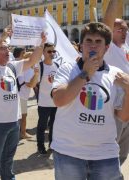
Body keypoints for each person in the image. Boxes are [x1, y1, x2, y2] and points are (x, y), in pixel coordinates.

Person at [51, 22, 129, 180]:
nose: (93, 46)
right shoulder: (68, 69)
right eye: (89, 41)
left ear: (107, 48)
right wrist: (85, 74)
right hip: (69, 152)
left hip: (105, 154)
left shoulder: (116, 75)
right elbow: (59, 100)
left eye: (98, 42)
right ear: (81, 46)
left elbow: (123, 116)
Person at [0, 26, 45, 180]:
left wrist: (41, 43)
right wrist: (1, 39)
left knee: (9, 156)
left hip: (13, 121)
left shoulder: (12, 66)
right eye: (3, 49)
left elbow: (32, 60)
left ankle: (8, 177)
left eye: (8, 48)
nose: (7, 51)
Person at [103, 0, 129, 166]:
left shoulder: (126, 48)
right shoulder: (109, 47)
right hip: (116, 107)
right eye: (120, 29)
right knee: (111, 150)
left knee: (123, 152)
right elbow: (107, 21)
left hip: (128, 104)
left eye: (126, 29)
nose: (124, 32)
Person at [36, 43, 59, 154]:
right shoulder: (40, 66)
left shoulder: (57, 66)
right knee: (42, 126)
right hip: (44, 102)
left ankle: (52, 144)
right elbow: (35, 83)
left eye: (53, 51)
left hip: (56, 102)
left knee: (54, 125)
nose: (52, 54)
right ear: (43, 53)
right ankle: (40, 146)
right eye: (49, 51)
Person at [13, 47, 39, 139]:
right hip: (22, 96)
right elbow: (30, 84)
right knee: (23, 116)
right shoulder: (28, 70)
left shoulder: (24, 68)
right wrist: (36, 75)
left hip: (20, 94)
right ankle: (23, 133)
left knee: (18, 115)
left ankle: (18, 133)